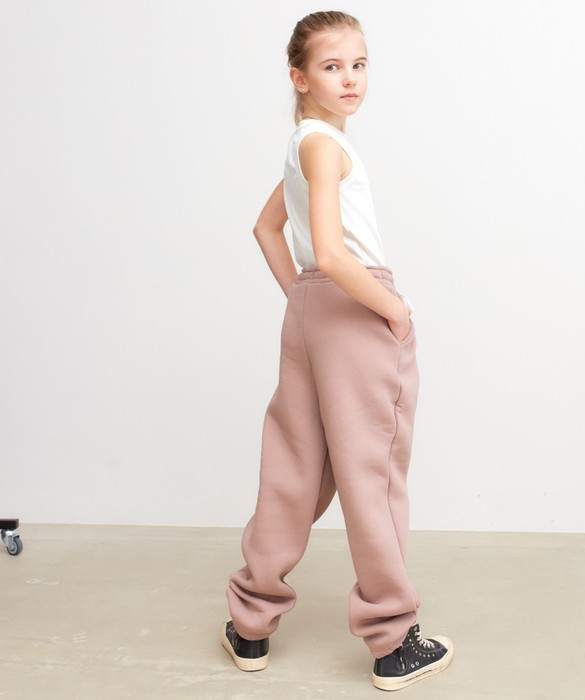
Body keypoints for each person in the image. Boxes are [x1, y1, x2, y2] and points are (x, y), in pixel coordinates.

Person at [222, 11, 453, 691]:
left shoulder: (304, 143)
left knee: (293, 471)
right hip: (354, 309)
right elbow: (330, 252)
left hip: (312, 315)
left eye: (359, 64)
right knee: (371, 476)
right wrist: (394, 309)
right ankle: (393, 642)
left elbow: (266, 229)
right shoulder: (326, 147)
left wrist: (305, 299)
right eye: (331, 67)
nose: (350, 79)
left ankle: (250, 624)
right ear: (300, 78)